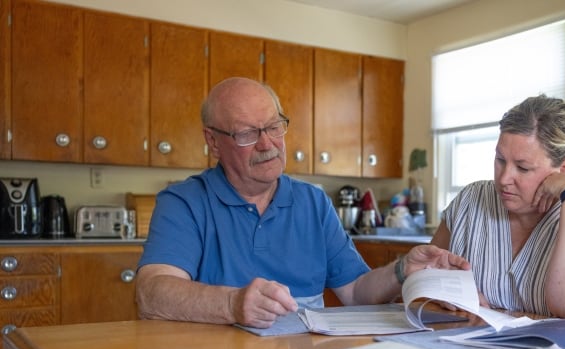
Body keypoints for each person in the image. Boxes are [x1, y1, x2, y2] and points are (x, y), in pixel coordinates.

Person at [135, 77, 470, 328]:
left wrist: (402, 271)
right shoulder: (183, 202)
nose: (267, 144)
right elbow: (151, 293)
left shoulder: (313, 202)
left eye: (273, 126)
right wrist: (233, 303)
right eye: (247, 134)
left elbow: (355, 291)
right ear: (214, 141)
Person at [430, 95, 565, 319]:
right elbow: (425, 273)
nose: (504, 178)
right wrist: (443, 291)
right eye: (500, 160)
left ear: (564, 168)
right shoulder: (470, 200)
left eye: (523, 168)